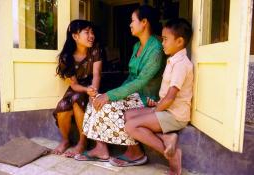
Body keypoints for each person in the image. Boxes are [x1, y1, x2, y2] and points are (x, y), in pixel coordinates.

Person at [74, 5, 164, 162]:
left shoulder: (155, 49)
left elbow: (141, 81)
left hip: (146, 97)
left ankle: (135, 152)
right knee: (96, 100)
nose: (130, 24)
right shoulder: (137, 46)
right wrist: (111, 94)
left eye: (132, 21)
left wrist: (111, 96)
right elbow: (131, 77)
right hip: (133, 93)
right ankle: (101, 148)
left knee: (109, 105)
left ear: (144, 22)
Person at [110, 18, 193, 175]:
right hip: (166, 109)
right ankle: (167, 138)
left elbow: (170, 98)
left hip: (175, 115)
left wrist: (154, 110)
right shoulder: (173, 60)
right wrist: (155, 105)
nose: (162, 43)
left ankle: (172, 155)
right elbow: (166, 98)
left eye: (166, 39)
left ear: (180, 41)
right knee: (128, 114)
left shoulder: (181, 64)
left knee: (131, 126)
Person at [52, 19, 102, 157]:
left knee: (76, 101)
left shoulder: (95, 49)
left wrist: (93, 92)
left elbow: (97, 75)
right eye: (87, 32)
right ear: (75, 36)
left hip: (93, 85)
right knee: (62, 106)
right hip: (78, 87)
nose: (91, 35)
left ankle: (82, 142)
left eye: (92, 32)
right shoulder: (66, 57)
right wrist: (86, 90)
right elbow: (73, 84)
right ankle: (65, 140)